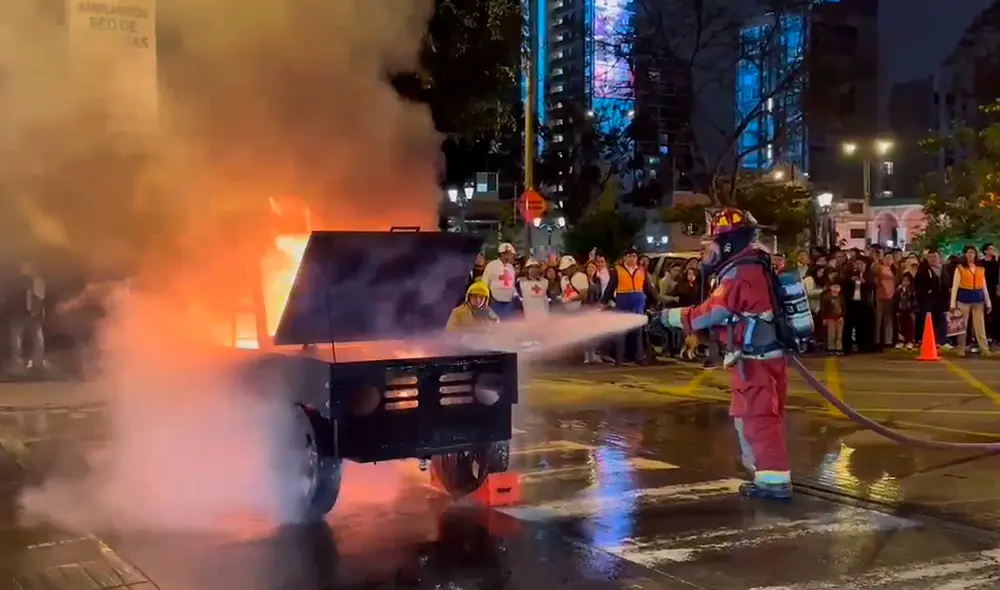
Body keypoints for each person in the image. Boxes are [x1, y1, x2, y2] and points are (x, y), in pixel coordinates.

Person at [659, 207, 792, 501]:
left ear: (729, 242)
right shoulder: (754, 266)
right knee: (758, 416)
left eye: (713, 242)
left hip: (754, 361)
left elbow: (712, 312)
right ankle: (767, 475)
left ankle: (773, 482)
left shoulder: (740, 273)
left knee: (757, 418)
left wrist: (670, 318)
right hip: (761, 356)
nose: (709, 250)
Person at [601, 247, 658, 365]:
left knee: (638, 330)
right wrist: (605, 301)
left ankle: (639, 356)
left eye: (634, 256)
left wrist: (655, 300)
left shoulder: (642, 271)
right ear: (624, 258)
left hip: (638, 302)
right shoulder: (616, 270)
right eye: (629, 256)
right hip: (623, 301)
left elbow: (648, 288)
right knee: (622, 330)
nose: (632, 259)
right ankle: (619, 358)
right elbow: (610, 287)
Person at [950, 245, 992, 356]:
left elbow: (984, 286)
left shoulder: (980, 268)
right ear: (964, 254)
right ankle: (961, 348)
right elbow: (955, 287)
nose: (970, 255)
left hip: (978, 298)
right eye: (968, 252)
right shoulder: (960, 268)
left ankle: (984, 349)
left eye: (973, 252)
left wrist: (988, 302)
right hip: (964, 298)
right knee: (962, 326)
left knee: (980, 326)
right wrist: (952, 304)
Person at [482, 243, 518, 319]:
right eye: (509, 254)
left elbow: (512, 284)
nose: (511, 256)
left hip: (509, 300)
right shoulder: (491, 265)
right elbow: (485, 283)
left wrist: (515, 296)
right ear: (502, 254)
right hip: (495, 300)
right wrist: (488, 297)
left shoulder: (511, 267)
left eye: (511, 254)